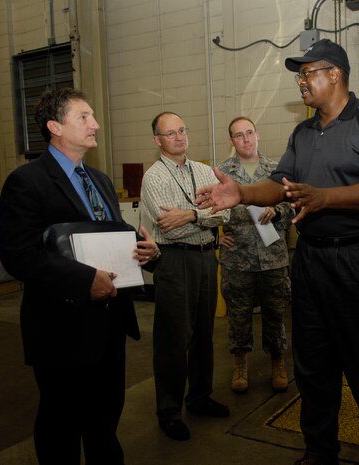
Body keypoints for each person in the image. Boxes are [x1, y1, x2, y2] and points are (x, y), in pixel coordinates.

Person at [196, 39, 359, 465]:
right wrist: (241, 193)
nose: (301, 82)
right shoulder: (303, 131)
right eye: (299, 75)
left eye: (308, 73)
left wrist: (325, 198)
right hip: (311, 259)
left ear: (334, 74)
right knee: (312, 362)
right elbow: (280, 184)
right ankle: (319, 451)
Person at [0, 87, 160, 465]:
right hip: (60, 326)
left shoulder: (100, 180)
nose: (95, 124)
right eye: (83, 117)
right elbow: (19, 254)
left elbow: (110, 231)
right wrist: (84, 280)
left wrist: (146, 251)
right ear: (55, 126)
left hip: (109, 322)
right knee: (61, 423)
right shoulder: (27, 181)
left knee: (105, 420)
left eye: (92, 116)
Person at [140, 111, 231, 442]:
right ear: (157, 141)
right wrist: (207, 214)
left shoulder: (205, 170)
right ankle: (169, 411)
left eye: (182, 130)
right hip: (175, 261)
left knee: (204, 334)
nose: (179, 137)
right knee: (173, 340)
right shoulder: (154, 178)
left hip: (207, 258)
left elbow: (228, 210)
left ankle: (199, 397)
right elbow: (167, 222)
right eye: (170, 133)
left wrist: (192, 213)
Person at [217, 116, 294, 394]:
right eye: (239, 135)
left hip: (273, 257)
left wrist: (279, 211)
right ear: (231, 141)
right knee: (238, 314)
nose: (246, 139)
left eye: (249, 133)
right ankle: (240, 364)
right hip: (238, 258)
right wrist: (216, 237)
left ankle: (277, 362)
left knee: (275, 313)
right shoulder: (222, 173)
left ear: (258, 135)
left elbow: (293, 207)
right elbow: (207, 210)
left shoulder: (276, 171)